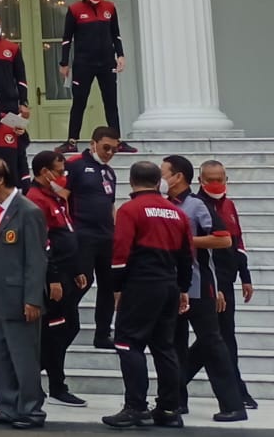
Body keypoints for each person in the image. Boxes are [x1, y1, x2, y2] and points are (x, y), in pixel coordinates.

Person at [102, 160, 193, 430]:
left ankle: (135, 407)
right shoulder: (176, 213)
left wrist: (117, 288)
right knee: (164, 347)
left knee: (128, 343)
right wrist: (183, 288)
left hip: (141, 284)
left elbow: (120, 253)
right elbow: (188, 255)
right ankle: (169, 409)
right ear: (158, 182)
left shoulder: (130, 210)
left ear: (131, 182)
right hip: (169, 284)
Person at [161, 155, 246, 421]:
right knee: (173, 345)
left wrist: (186, 241)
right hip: (173, 288)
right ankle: (174, 402)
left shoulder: (197, 205)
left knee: (212, 343)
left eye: (164, 173)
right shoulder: (163, 206)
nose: (161, 178)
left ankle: (233, 405)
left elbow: (223, 241)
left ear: (179, 177)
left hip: (200, 287)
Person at [0, 156, 48, 428]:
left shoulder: (28, 211)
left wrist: (32, 298)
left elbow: (36, 259)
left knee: (24, 357)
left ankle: (31, 410)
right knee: (1, 356)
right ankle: (8, 406)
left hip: (19, 298)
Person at [190, 160, 257, 413]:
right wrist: (216, 285)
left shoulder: (228, 205)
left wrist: (246, 276)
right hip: (211, 283)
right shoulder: (199, 207)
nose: (216, 184)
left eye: (220, 178)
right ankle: (236, 390)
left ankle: (178, 383)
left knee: (218, 337)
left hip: (227, 281)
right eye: (211, 179)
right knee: (217, 338)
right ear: (201, 180)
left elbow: (237, 241)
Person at [25, 149, 86, 407]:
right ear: (43, 172)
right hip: (54, 274)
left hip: (68, 270)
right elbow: (43, 243)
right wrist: (54, 278)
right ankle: (53, 383)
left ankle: (38, 373)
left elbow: (67, 232)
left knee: (70, 327)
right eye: (59, 172)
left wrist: (79, 268)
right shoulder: (35, 199)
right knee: (57, 330)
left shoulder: (56, 197)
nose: (63, 177)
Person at [59, 0, 132, 153]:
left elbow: (116, 34)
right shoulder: (75, 9)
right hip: (83, 63)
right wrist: (64, 62)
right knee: (79, 101)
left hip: (107, 61)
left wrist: (120, 55)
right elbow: (67, 38)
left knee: (110, 101)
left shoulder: (109, 7)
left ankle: (117, 140)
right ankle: (71, 140)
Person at [67, 127, 121, 349]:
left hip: (106, 236)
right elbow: (62, 196)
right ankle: (63, 316)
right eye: (105, 147)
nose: (109, 152)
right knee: (83, 280)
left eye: (114, 149)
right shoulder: (75, 164)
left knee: (109, 284)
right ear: (93, 143)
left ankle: (102, 333)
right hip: (82, 233)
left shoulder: (109, 172)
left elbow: (110, 205)